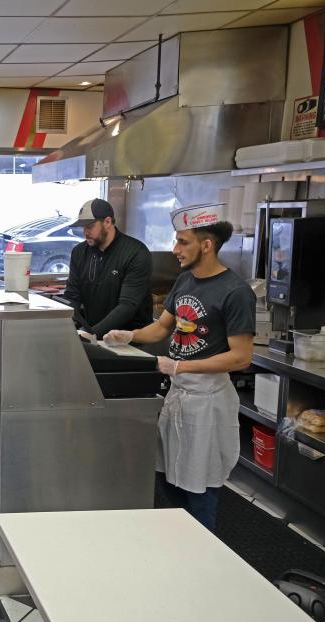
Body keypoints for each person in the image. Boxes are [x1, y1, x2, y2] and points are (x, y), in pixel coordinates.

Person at [105, 203, 255, 532]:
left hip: (207, 401)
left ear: (207, 245)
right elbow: (161, 328)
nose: (175, 250)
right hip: (178, 394)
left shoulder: (235, 292)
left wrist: (178, 366)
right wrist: (129, 335)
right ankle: (178, 544)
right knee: (170, 478)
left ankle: (205, 559)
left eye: (183, 242)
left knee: (199, 485)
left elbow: (241, 356)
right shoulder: (185, 280)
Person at [63, 198, 153, 340]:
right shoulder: (79, 252)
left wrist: (92, 334)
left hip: (130, 339)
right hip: (94, 336)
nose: (85, 232)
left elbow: (127, 307)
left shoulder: (135, 253)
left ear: (108, 222)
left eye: (90, 226)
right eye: (83, 227)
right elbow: (72, 296)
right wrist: (72, 327)